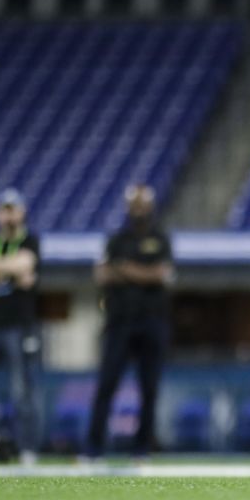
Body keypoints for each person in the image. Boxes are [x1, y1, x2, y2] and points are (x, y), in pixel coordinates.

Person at [82, 184, 175, 460]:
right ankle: (93, 447)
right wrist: (140, 273)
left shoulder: (160, 239)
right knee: (106, 385)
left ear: (151, 206)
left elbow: (161, 275)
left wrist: (125, 270)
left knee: (149, 389)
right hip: (119, 322)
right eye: (134, 204)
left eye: (142, 203)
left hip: (152, 322)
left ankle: (142, 448)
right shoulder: (116, 240)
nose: (138, 209)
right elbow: (101, 275)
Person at [0, 188, 42, 465]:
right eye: (4, 209)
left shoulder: (31, 240)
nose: (8, 215)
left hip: (18, 326)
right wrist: (9, 269)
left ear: (22, 212)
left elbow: (26, 263)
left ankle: (28, 449)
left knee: (22, 389)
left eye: (13, 209)